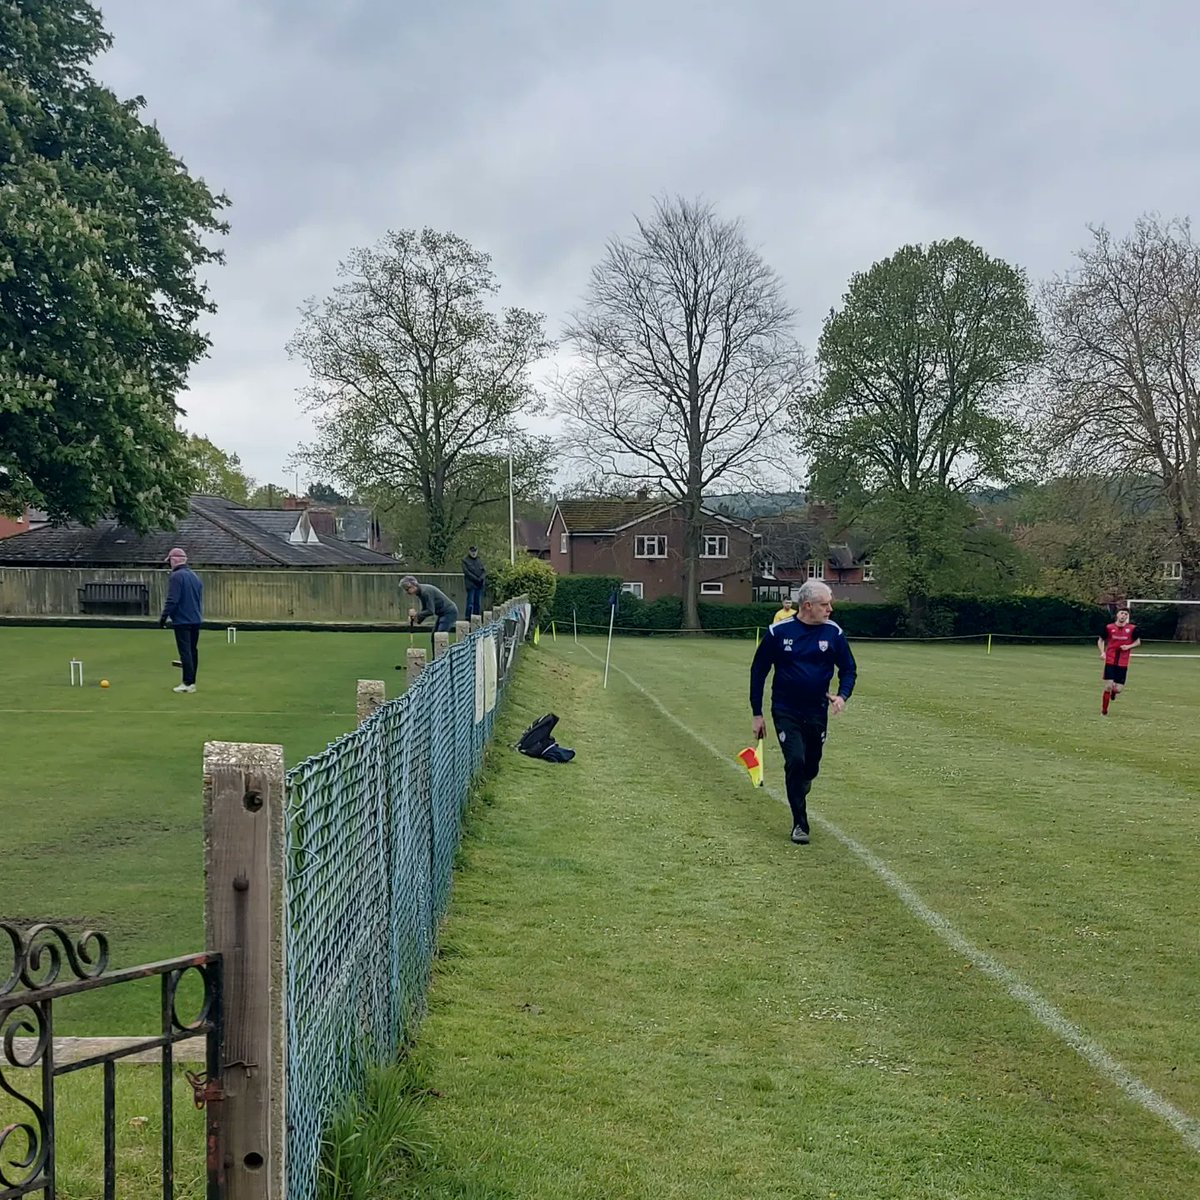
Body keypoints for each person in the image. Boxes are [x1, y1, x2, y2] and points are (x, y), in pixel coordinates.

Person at [749, 579, 857, 844]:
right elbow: (758, 672)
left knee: (810, 765)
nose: (830, 609)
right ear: (808, 605)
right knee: (795, 761)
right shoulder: (778, 632)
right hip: (785, 708)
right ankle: (800, 824)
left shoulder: (834, 633)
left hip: (817, 710)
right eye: (825, 604)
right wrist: (757, 713)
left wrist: (842, 696)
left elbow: (849, 669)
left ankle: (803, 781)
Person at [160, 547, 203, 693]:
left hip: (183, 620)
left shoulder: (176, 576)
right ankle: (192, 682)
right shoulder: (194, 576)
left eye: (170, 561)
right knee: (192, 651)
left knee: (185, 652)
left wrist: (164, 617)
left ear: (175, 560)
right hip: (196, 619)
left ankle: (187, 683)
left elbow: (173, 599)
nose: (169, 564)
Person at [400, 575, 460, 655]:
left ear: (413, 585)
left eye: (407, 589)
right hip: (442, 614)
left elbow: (430, 610)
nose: (407, 592)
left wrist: (417, 615)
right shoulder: (421, 592)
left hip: (449, 612)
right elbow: (425, 609)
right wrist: (417, 619)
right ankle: (435, 659)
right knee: (434, 637)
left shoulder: (425, 592)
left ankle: (441, 660)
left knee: (439, 637)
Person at [1098, 606, 1140, 715]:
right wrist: (1102, 652)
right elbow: (1101, 640)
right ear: (1117, 615)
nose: (1123, 616)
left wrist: (1129, 646)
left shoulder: (1132, 629)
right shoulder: (1109, 627)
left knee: (1119, 689)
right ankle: (1104, 710)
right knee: (1108, 685)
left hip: (1123, 662)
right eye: (1122, 613)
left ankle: (1114, 692)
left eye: (1126, 614)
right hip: (1110, 660)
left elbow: (1138, 642)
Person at [462, 546, 486, 619]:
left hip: (479, 585)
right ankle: (468, 618)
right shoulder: (465, 560)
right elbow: (467, 572)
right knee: (470, 603)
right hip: (471, 585)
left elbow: (484, 571)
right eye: (472, 551)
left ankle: (476, 619)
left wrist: (481, 578)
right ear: (469, 551)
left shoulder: (479, 560)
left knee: (477, 604)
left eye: (475, 551)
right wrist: (476, 579)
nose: (473, 553)